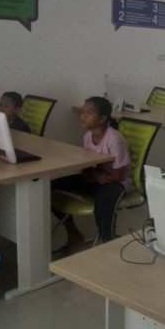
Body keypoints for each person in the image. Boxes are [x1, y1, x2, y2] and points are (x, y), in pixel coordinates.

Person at [51, 96, 132, 253]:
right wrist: (95, 174)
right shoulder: (87, 137)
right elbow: (86, 167)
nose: (83, 116)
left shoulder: (115, 140)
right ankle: (73, 234)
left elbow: (117, 176)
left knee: (104, 202)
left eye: (89, 113)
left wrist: (94, 174)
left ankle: (107, 242)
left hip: (116, 182)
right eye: (83, 112)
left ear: (102, 118)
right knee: (50, 188)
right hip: (96, 178)